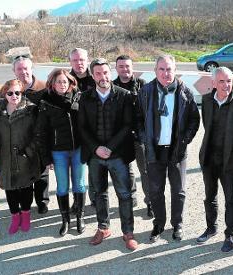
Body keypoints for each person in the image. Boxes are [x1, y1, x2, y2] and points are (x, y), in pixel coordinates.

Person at [137, 55, 200, 243]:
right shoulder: (146, 91)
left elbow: (194, 120)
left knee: (178, 190)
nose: (166, 73)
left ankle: (177, 224)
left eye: (169, 69)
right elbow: (138, 118)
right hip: (154, 150)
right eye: (162, 69)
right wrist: (144, 139)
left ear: (175, 70)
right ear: (155, 71)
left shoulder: (185, 92)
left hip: (176, 150)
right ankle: (159, 224)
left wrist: (185, 140)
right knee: (155, 190)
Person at [78, 58, 138, 250]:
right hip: (95, 156)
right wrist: (96, 148)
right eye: (97, 73)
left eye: (105, 72)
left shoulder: (125, 95)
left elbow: (128, 125)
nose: (102, 77)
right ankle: (103, 227)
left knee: (124, 194)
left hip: (118, 155)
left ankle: (128, 232)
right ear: (92, 75)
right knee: (99, 193)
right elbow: (82, 127)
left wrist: (110, 147)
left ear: (110, 73)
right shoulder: (85, 97)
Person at [196, 67, 233, 252]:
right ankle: (211, 228)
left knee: (230, 198)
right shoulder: (206, 100)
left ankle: (230, 234)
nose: (226, 85)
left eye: (229, 81)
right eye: (221, 81)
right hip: (209, 159)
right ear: (213, 83)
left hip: (230, 160)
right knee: (209, 196)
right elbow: (207, 125)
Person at [36, 69, 87, 236]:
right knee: (62, 187)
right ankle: (65, 220)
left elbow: (87, 124)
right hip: (58, 152)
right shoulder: (46, 103)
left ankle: (80, 217)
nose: (62, 84)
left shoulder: (79, 98)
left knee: (79, 184)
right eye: (59, 81)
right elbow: (42, 133)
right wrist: (46, 158)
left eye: (65, 81)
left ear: (70, 83)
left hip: (78, 149)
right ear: (52, 83)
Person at [0, 79, 41, 235]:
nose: (14, 96)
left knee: (26, 187)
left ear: (22, 93)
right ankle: (15, 216)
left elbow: (38, 134)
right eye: (10, 93)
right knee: (10, 188)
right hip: (4, 156)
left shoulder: (31, 110)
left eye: (17, 93)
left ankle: (26, 215)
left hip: (25, 157)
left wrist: (29, 151)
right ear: (5, 94)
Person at [10, 56, 50, 214]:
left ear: (31, 69)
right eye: (19, 69)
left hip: (40, 139)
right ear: (14, 71)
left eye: (26, 68)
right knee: (24, 172)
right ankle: (25, 203)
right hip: (19, 141)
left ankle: (42, 201)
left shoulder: (44, 88)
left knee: (42, 173)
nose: (23, 72)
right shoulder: (9, 89)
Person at [113, 54, 151, 218]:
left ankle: (150, 202)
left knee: (145, 171)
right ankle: (131, 198)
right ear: (116, 68)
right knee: (126, 171)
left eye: (127, 66)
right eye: (121, 66)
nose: (124, 69)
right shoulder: (112, 86)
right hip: (121, 137)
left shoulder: (142, 85)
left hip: (140, 135)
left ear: (132, 67)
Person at [69, 47, 96, 210]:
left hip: (94, 132)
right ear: (70, 61)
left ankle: (95, 198)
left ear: (87, 60)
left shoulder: (96, 78)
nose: (79, 63)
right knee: (76, 172)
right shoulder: (65, 80)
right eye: (75, 60)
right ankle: (77, 200)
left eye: (82, 60)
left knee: (95, 168)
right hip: (74, 134)